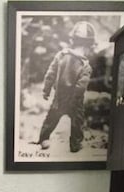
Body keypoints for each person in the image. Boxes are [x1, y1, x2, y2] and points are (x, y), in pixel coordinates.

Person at [37, 20, 95, 153]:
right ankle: (75, 144)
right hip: (75, 99)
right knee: (77, 122)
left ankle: (43, 139)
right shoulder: (85, 65)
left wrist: (46, 90)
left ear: (73, 40)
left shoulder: (61, 55)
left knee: (51, 118)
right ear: (89, 46)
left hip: (59, 97)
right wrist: (75, 99)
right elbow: (81, 86)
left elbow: (50, 74)